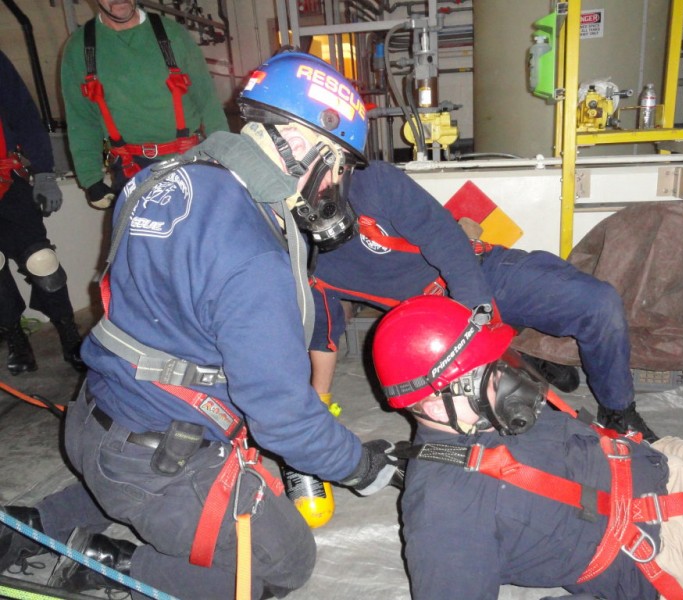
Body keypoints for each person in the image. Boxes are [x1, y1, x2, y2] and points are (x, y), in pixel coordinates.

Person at [0, 52, 400, 599]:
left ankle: (32, 524)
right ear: (307, 145)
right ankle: (97, 571)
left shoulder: (162, 178)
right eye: (341, 165)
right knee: (281, 565)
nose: (338, 183)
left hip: (96, 417)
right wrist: (359, 467)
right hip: (156, 457)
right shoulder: (256, 254)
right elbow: (283, 419)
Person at [371, 295, 683, 600]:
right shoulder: (444, 514)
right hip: (669, 549)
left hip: (667, 461)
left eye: (494, 363)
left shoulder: (483, 412)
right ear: (432, 400)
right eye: (483, 373)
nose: (503, 377)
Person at [308, 159, 656, 441]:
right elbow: (323, 337)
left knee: (597, 304)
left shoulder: (373, 181)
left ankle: (618, 410)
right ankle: (526, 358)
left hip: (480, 273)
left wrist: (478, 319)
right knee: (478, 426)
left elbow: (445, 239)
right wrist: (318, 404)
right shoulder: (301, 258)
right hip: (429, 331)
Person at [60, 0, 229, 209]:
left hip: (188, 160)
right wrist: (91, 179)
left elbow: (207, 100)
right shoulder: (80, 48)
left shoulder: (171, 34)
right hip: (130, 168)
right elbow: (82, 120)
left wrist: (225, 155)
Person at [0, 50, 85, 374]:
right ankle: (15, 339)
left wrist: (45, 172)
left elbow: (23, 113)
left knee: (41, 260)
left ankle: (68, 333)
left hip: (8, 181)